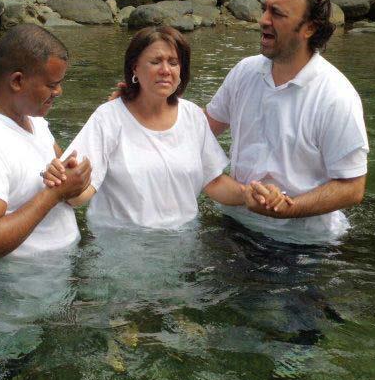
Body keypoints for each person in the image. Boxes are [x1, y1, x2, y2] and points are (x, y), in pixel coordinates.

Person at [206, 0, 369, 243]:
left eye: (277, 14)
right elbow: (203, 128)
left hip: (301, 243)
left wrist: (286, 208)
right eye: (265, 9)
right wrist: (145, 109)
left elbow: (353, 187)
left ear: (309, 28)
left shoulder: (336, 96)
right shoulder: (245, 72)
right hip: (234, 222)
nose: (263, 20)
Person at [44, 26, 247, 230]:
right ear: (135, 68)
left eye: (173, 63)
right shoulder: (108, 118)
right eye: (156, 62)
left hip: (183, 239)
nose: (166, 70)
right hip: (121, 240)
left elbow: (214, 182)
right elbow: (80, 193)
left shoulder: (193, 116)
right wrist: (64, 182)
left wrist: (251, 196)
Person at [0, 24, 91, 267]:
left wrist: (71, 177)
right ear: (17, 81)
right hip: (17, 285)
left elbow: (65, 176)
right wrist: (54, 194)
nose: (59, 91)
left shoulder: (32, 117)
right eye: (51, 84)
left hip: (54, 273)